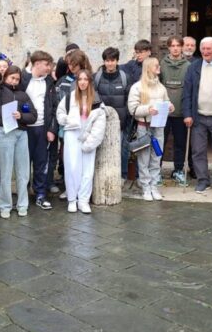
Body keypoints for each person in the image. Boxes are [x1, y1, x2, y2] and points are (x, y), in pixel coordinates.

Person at [182, 37, 212, 195]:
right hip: (199, 116)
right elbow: (187, 92)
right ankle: (202, 180)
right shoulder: (193, 67)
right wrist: (187, 114)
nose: (205, 52)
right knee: (198, 150)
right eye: (203, 49)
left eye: (209, 49)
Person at [57, 69, 107, 213]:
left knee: (87, 170)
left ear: (90, 82)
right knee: (72, 168)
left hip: (88, 136)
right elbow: (60, 113)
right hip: (72, 135)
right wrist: (67, 120)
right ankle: (72, 199)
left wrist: (91, 142)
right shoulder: (69, 97)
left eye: (86, 79)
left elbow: (100, 122)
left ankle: (83, 200)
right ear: (77, 81)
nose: (83, 82)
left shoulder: (96, 100)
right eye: (80, 79)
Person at [0, 65, 37, 217]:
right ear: (5, 77)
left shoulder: (23, 94)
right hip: (4, 133)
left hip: (21, 133)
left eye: (17, 79)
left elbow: (33, 115)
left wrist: (21, 116)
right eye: (12, 77)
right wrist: (1, 71)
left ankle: (22, 204)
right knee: (5, 172)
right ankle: (5, 205)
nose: (15, 81)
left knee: (23, 172)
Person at [128, 57, 174, 201]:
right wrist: (148, 109)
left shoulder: (161, 87)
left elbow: (166, 101)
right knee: (144, 158)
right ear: (148, 68)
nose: (159, 67)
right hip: (144, 128)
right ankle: (145, 187)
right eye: (156, 66)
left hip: (159, 127)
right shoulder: (137, 87)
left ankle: (154, 186)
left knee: (157, 157)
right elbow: (133, 109)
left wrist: (170, 106)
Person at [20, 50, 59, 210]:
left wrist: (51, 129)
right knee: (23, 164)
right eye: (46, 64)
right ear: (36, 64)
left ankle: (40, 194)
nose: (49, 68)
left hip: (42, 128)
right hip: (24, 129)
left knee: (41, 163)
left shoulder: (50, 82)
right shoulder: (23, 79)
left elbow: (55, 106)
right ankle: (23, 196)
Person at [94, 47, 132, 181]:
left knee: (121, 149)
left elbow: (129, 100)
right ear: (104, 61)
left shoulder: (124, 78)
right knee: (100, 149)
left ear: (117, 61)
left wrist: (126, 118)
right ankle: (101, 176)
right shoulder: (96, 77)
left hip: (120, 123)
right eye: (107, 60)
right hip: (100, 122)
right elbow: (94, 98)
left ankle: (122, 176)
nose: (110, 63)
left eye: (112, 60)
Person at [159, 36, 190, 182]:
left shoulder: (188, 65)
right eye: (172, 46)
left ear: (182, 47)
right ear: (168, 48)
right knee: (160, 142)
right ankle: (156, 170)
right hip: (163, 112)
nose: (175, 48)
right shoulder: (161, 64)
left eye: (178, 45)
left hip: (181, 111)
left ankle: (178, 170)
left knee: (180, 142)